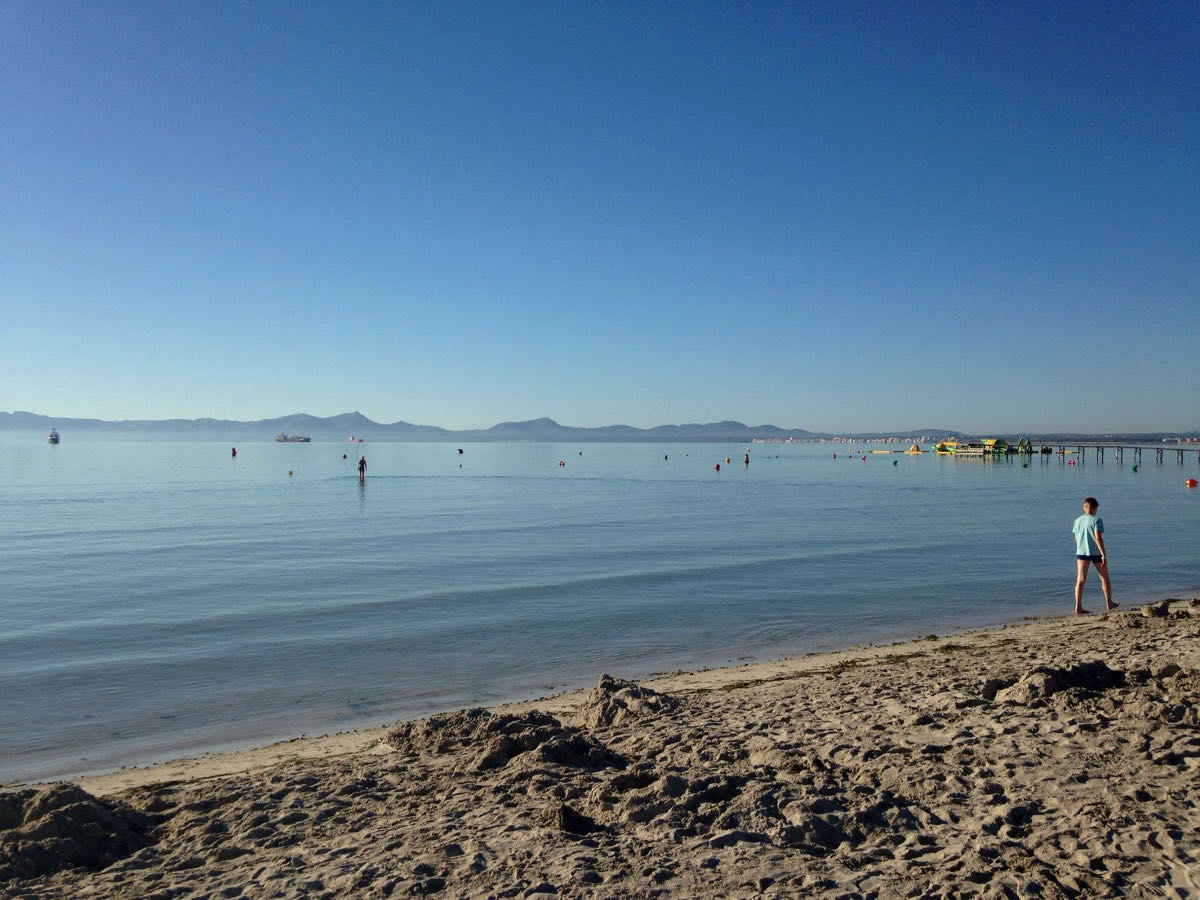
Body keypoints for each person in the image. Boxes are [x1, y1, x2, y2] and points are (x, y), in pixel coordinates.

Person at [1072, 496, 1116, 615]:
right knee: (1104, 577)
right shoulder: (1097, 520)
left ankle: (1078, 607)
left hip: (1081, 553)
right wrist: (1103, 555)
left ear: (1084, 507)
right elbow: (1098, 538)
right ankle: (1109, 603)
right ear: (1095, 508)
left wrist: (1081, 545)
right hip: (1095, 553)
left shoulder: (1077, 521)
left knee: (1080, 580)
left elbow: (1076, 537)